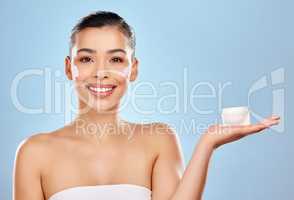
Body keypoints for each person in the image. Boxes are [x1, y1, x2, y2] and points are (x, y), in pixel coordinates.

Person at [13, 11, 280, 200]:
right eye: (86, 59)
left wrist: (208, 144)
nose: (101, 72)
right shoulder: (34, 152)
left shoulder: (159, 139)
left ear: (133, 69)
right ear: (69, 68)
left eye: (116, 60)